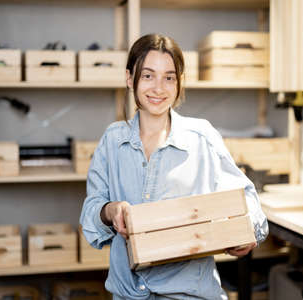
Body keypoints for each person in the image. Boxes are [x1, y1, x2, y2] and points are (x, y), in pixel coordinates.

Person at [79, 33, 269, 300]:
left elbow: (248, 202)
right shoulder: (113, 140)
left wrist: (246, 233)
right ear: (129, 78)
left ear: (179, 82)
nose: (159, 88)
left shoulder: (201, 137)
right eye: (148, 76)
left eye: (169, 77)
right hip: (128, 295)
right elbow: (89, 215)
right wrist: (109, 211)